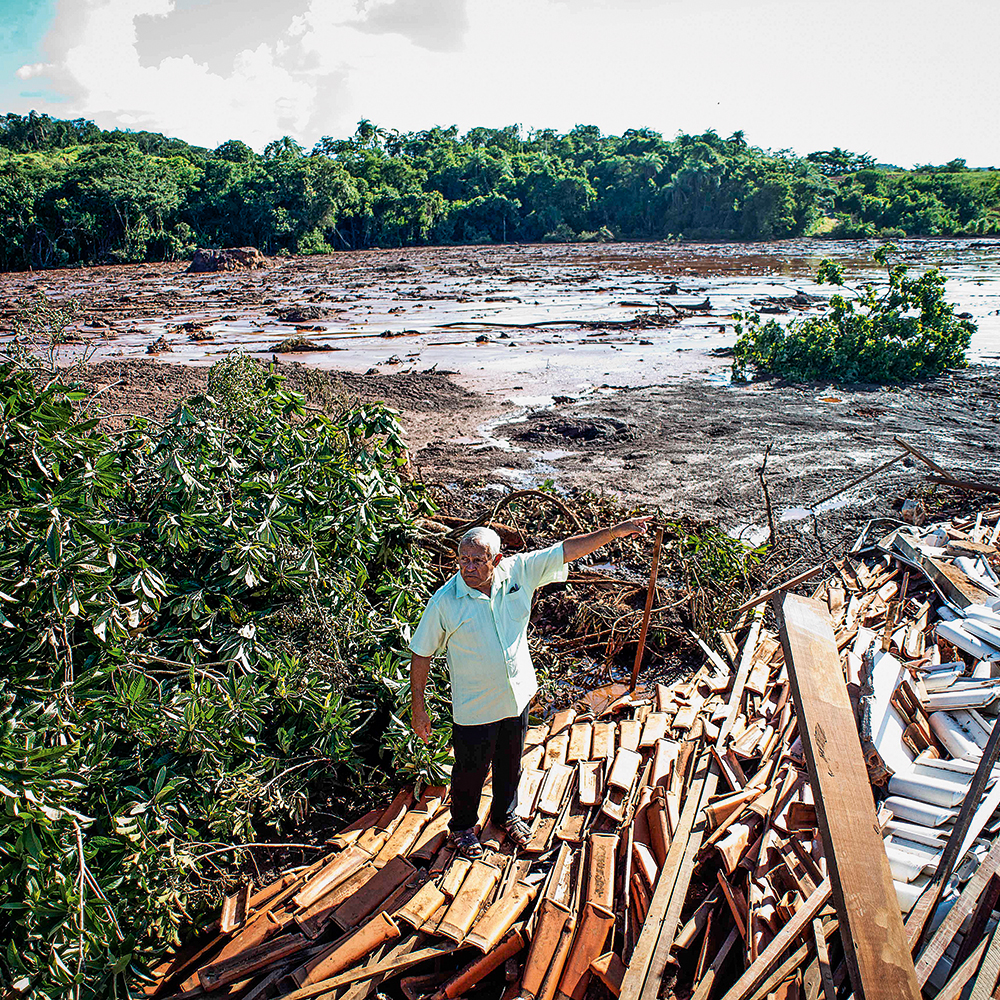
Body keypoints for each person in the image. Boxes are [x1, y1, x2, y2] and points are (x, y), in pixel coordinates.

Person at [409, 516, 652, 858]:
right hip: (475, 706)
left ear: (496, 560)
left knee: (511, 763)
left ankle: (505, 815)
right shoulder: (445, 602)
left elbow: (566, 550)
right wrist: (419, 709)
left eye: (478, 560)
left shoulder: (519, 571)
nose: (469, 567)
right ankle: (462, 827)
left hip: (516, 695)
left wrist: (614, 531)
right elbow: (421, 654)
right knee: (470, 771)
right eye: (463, 559)